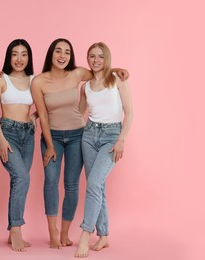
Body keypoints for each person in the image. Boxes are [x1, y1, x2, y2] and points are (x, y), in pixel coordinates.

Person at [31, 38, 128, 249]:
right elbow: (46, 116)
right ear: (51, 54)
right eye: (58, 51)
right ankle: (54, 232)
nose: (62, 55)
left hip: (78, 135)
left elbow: (99, 72)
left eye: (67, 52)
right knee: (51, 181)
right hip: (56, 136)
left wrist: (117, 69)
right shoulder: (38, 81)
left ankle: (69, 233)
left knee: (73, 185)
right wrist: (48, 142)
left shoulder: (78, 74)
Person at [75, 42, 133, 258]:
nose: (96, 60)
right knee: (97, 187)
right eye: (92, 56)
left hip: (111, 136)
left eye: (100, 56)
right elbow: (79, 114)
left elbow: (130, 112)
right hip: (89, 136)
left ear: (107, 58)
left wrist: (121, 140)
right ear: (87, 58)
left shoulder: (117, 79)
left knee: (93, 183)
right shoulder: (86, 86)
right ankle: (104, 235)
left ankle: (85, 235)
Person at [0, 39, 36, 252]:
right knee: (22, 177)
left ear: (29, 57)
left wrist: (34, 116)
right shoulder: (1, 79)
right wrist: (1, 139)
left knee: (20, 181)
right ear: (9, 57)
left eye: (24, 54)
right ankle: (16, 228)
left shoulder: (35, 80)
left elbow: (47, 106)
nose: (19, 59)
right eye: (15, 54)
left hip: (28, 134)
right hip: (7, 132)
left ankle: (11, 232)